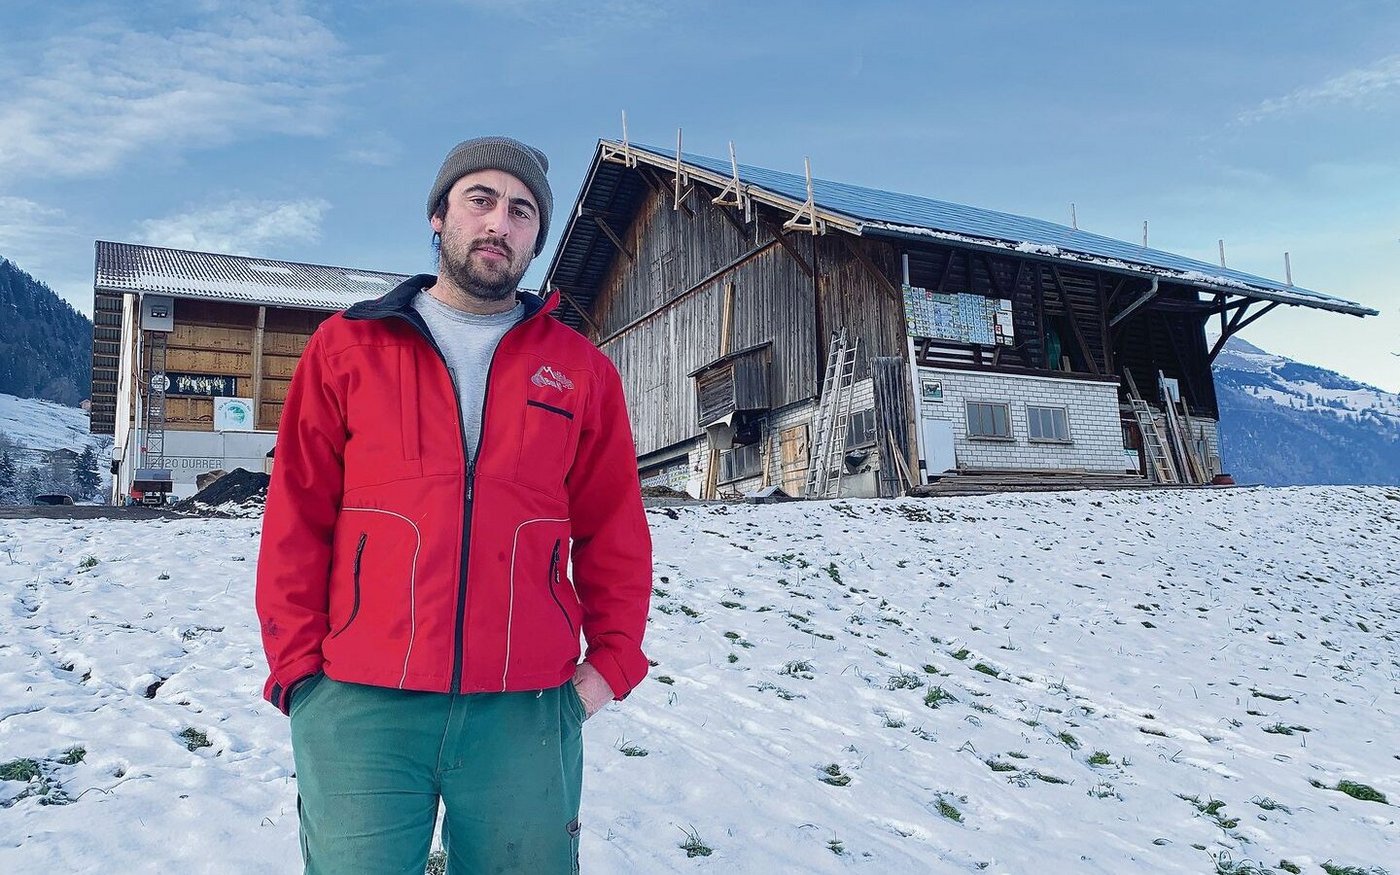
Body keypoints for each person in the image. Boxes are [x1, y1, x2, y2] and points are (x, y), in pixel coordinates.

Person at [256, 136, 653, 874]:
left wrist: (612, 664)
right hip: (360, 702)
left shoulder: (581, 371)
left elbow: (614, 530)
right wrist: (299, 672)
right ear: (439, 216)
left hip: (525, 706)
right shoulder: (347, 348)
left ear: (537, 236)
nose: (499, 222)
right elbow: (296, 519)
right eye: (481, 200)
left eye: (522, 211)